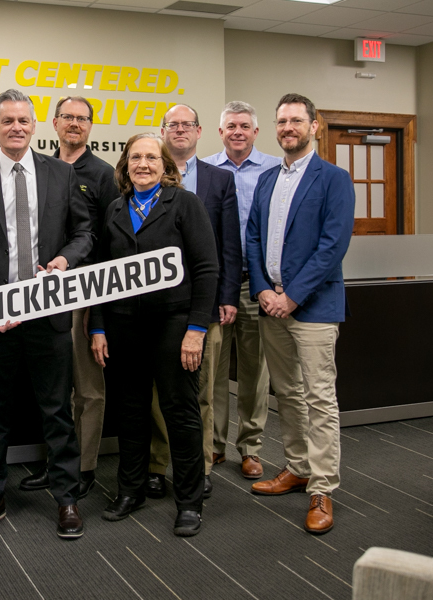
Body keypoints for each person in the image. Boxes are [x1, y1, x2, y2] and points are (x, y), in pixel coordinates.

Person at [0, 89, 93, 539]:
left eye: (23, 120)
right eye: (7, 121)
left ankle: (67, 499)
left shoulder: (61, 174)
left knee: (56, 410)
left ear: (35, 126)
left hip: (47, 314)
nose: (16, 127)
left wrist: (64, 262)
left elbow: (83, 233)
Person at [90, 133, 219, 537]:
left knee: (180, 412)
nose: (143, 164)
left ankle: (189, 501)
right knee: (130, 411)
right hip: (123, 325)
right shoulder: (115, 208)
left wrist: (197, 329)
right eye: (135, 158)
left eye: (151, 157)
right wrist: (97, 326)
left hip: (174, 325)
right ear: (125, 165)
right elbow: (99, 276)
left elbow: (206, 268)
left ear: (166, 165)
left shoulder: (185, 204)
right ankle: (131, 490)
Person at [246, 93, 354, 535]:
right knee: (287, 393)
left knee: (319, 398)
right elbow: (253, 238)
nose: (287, 127)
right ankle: (297, 467)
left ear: (314, 125)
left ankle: (323, 487)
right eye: (281, 121)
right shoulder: (269, 179)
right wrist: (262, 291)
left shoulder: (334, 179)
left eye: (295, 120)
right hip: (272, 307)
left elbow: (333, 246)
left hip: (313, 308)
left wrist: (291, 297)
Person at [19, 96, 120, 499]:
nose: (74, 124)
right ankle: (58, 462)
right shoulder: (40, 167)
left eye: (82, 119)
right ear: (54, 122)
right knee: (55, 390)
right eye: (67, 117)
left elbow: (110, 241)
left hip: (86, 293)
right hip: (44, 293)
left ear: (90, 126)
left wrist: (100, 312)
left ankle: (84, 467)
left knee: (88, 389)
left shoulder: (103, 174)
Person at [146, 104, 241, 499]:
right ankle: (157, 465)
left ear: (200, 131)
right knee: (158, 394)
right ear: (163, 131)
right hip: (158, 308)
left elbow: (229, 244)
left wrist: (228, 296)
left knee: (200, 390)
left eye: (187, 125)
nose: (180, 130)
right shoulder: (148, 176)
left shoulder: (220, 180)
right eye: (173, 125)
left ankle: (199, 467)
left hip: (205, 306)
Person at [203, 101, 281, 481]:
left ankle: (250, 447)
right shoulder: (204, 170)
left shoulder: (273, 170)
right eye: (231, 125)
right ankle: (215, 444)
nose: (237, 131)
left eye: (244, 126)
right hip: (217, 285)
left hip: (256, 284)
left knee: (255, 371)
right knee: (213, 370)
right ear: (220, 132)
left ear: (255, 131)